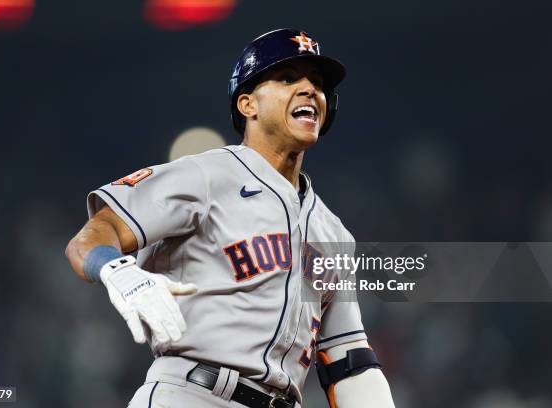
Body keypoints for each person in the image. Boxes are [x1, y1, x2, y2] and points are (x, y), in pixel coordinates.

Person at [65, 28, 395, 408]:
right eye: (288, 78)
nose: (309, 90)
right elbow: (91, 237)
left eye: (317, 83)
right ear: (247, 105)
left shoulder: (332, 232)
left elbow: (349, 365)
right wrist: (118, 272)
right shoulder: (206, 176)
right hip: (191, 394)